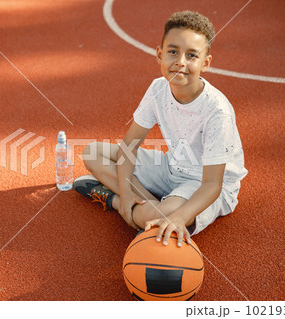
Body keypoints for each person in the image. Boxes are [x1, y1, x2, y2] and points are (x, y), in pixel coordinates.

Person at [73, 11, 248, 247]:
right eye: (173, 51)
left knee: (163, 218)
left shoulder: (216, 111)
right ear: (159, 54)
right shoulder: (158, 88)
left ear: (205, 63)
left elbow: (212, 185)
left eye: (192, 55)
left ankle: (114, 200)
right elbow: (129, 146)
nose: (181, 62)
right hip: (171, 167)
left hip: (205, 185)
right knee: (91, 152)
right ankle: (139, 203)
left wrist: (178, 218)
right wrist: (126, 193)